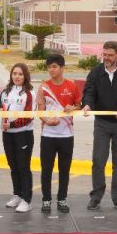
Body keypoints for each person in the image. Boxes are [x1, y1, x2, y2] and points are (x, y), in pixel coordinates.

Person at [80, 41, 117, 211]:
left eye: (110, 55)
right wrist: (87, 104)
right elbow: (89, 92)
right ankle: (96, 196)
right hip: (102, 123)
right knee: (98, 159)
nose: (107, 58)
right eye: (104, 55)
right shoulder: (96, 72)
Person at [38, 54, 81, 214]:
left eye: (54, 66)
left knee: (64, 169)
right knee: (46, 169)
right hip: (48, 135)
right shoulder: (43, 87)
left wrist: (74, 108)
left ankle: (62, 199)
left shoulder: (72, 86)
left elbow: (79, 105)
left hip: (66, 136)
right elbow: (40, 111)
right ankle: (46, 200)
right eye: (49, 67)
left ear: (62, 68)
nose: (51, 70)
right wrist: (47, 121)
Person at [0, 63, 38, 213]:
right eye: (14, 73)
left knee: (23, 167)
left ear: (25, 76)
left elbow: (29, 116)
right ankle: (17, 194)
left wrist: (12, 125)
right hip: (7, 135)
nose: (17, 76)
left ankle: (26, 200)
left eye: (20, 74)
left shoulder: (29, 93)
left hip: (23, 135)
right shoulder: (6, 91)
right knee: (13, 166)